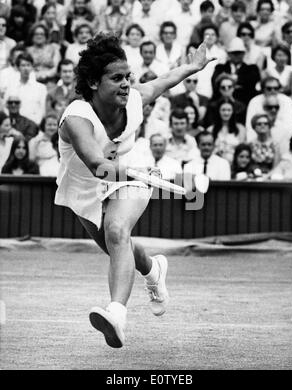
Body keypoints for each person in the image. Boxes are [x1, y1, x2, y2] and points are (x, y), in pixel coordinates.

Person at [54, 32, 216, 348]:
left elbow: (165, 80)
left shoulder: (135, 100)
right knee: (119, 248)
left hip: (129, 175)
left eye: (128, 76)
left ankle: (116, 313)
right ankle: (154, 270)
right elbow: (96, 165)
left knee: (117, 232)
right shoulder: (76, 119)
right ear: (92, 83)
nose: (127, 83)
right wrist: (137, 172)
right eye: (116, 78)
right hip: (89, 186)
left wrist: (192, 68)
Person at [206, 99, 246, 163]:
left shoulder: (241, 129)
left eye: (229, 110)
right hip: (215, 163)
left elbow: (243, 150)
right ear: (218, 111)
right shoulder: (211, 129)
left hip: (234, 164)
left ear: (233, 112)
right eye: (223, 110)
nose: (226, 113)